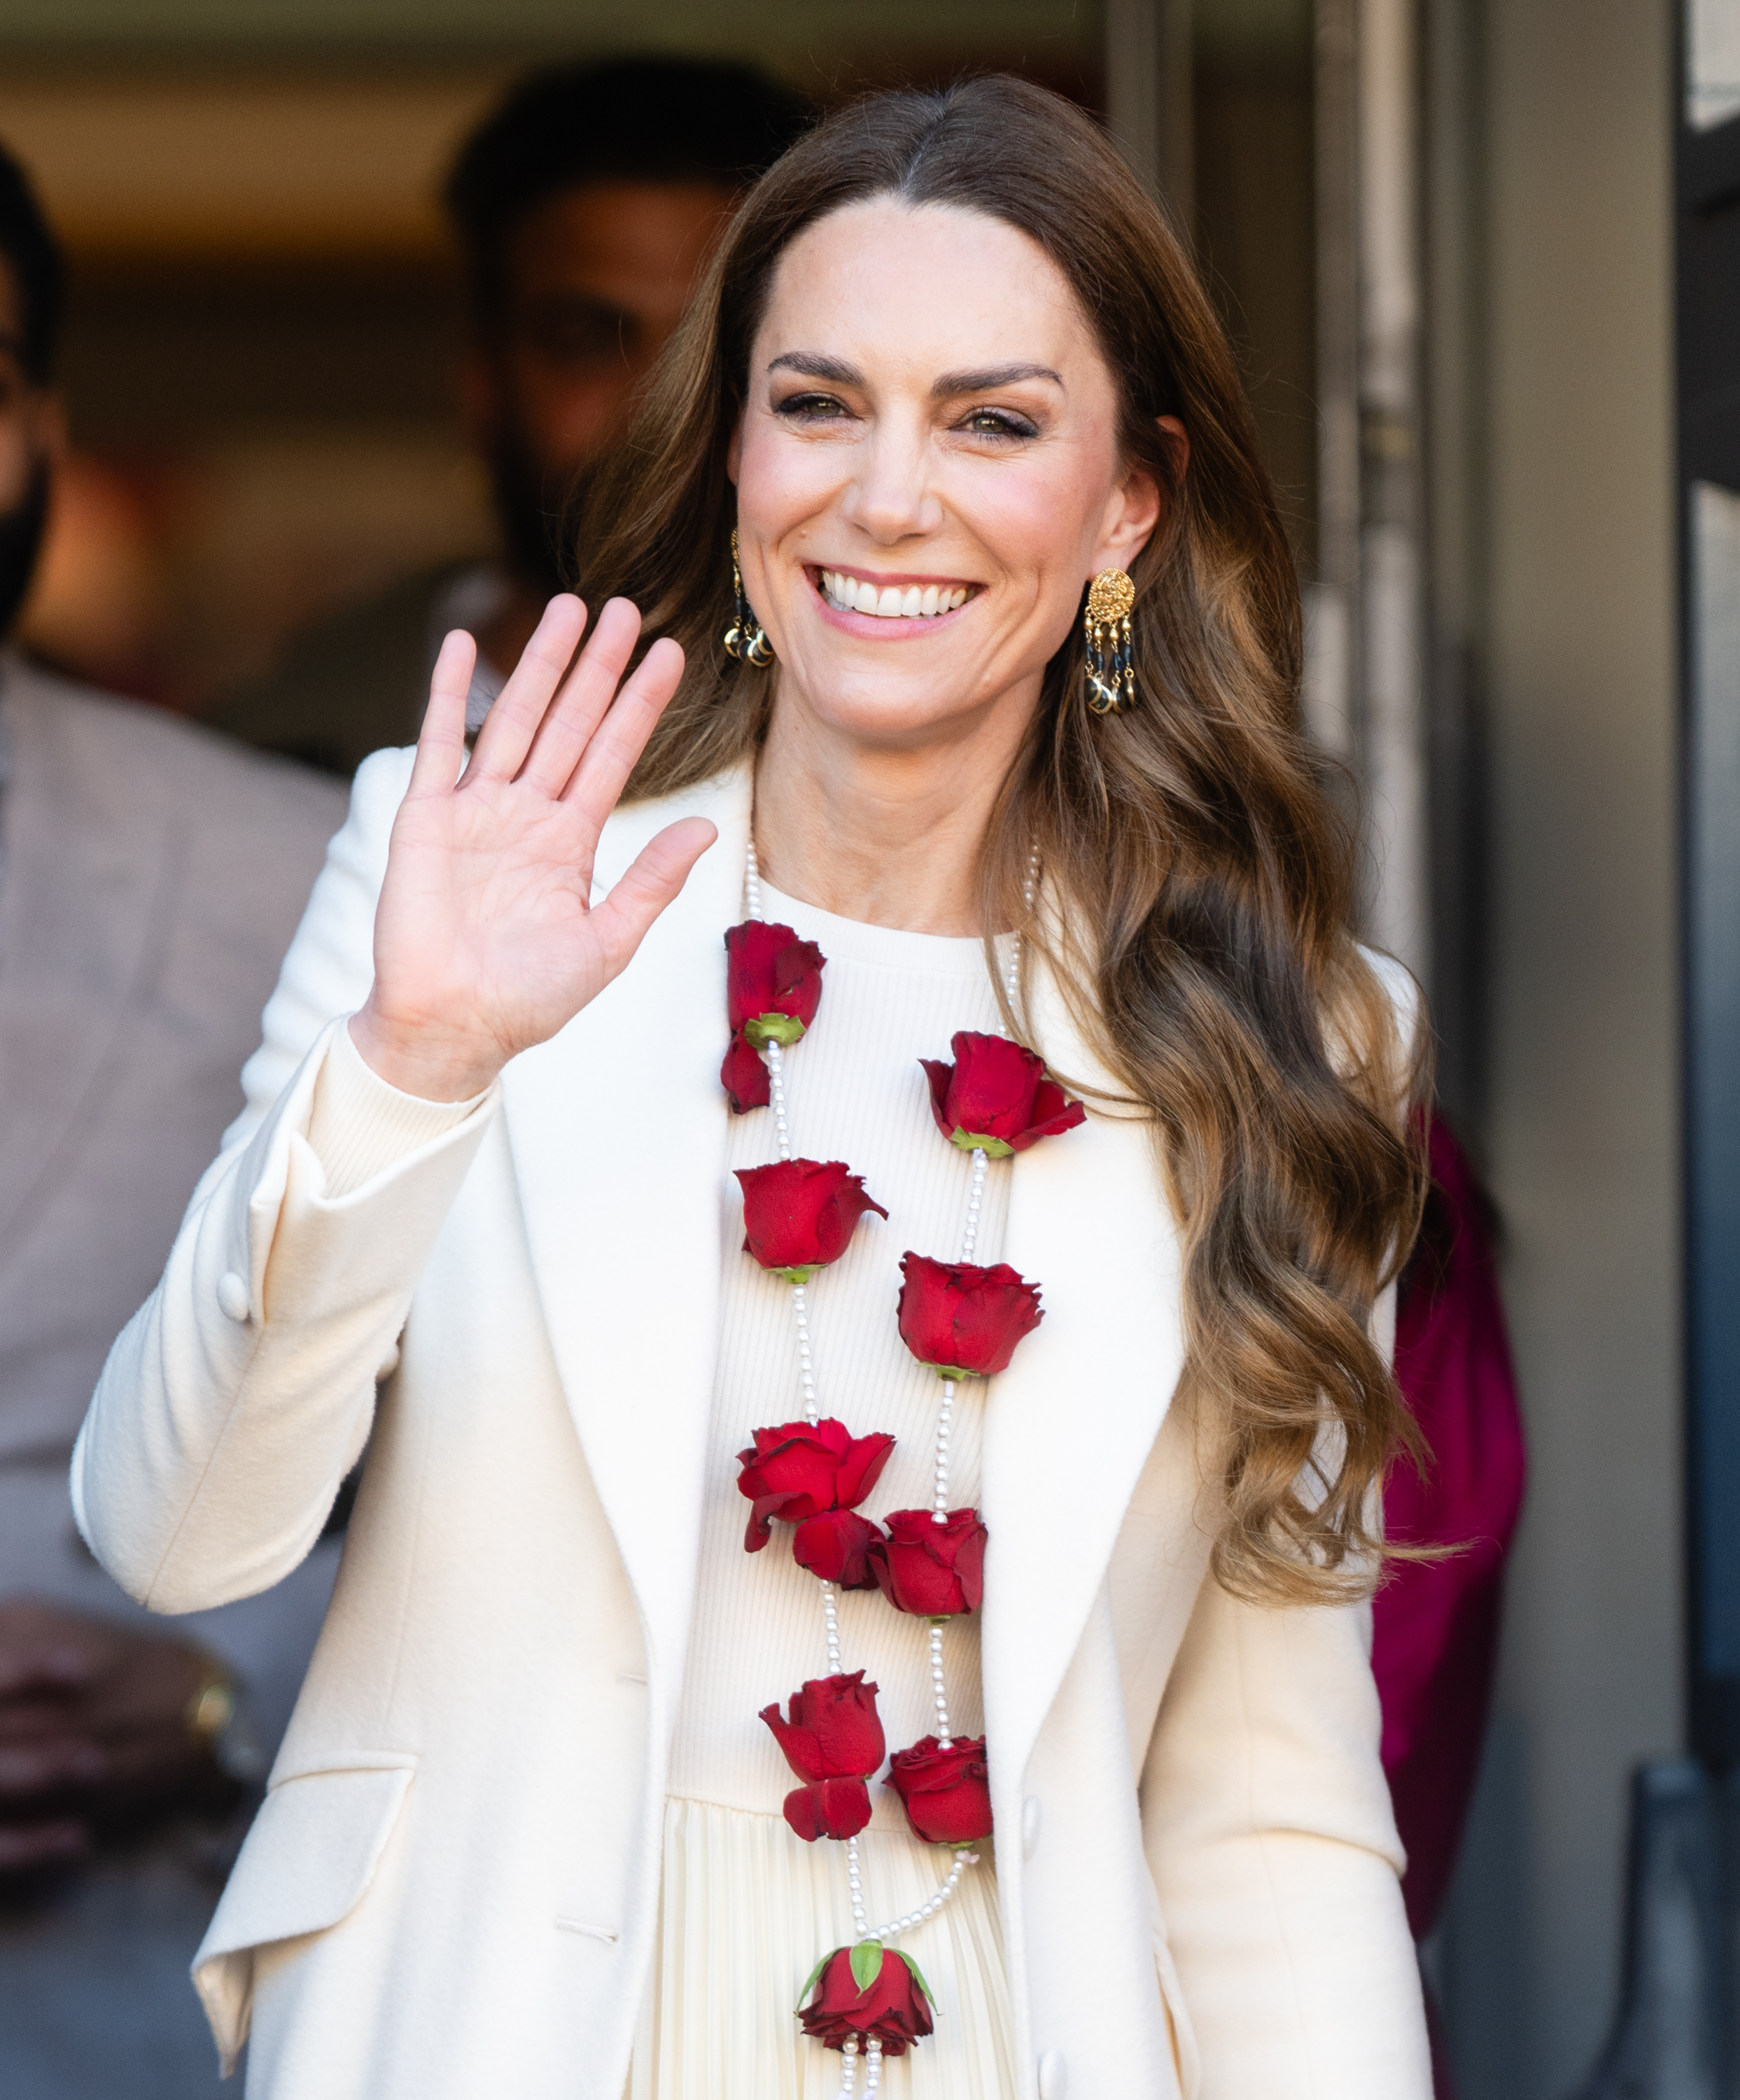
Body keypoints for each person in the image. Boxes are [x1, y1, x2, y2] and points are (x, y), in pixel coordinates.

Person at [76, 78, 1436, 2099]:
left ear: (1127, 498)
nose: (888, 497)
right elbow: (177, 1537)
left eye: (990, 421)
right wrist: (416, 1062)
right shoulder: (452, 868)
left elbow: (1268, 1799)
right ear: (729, 453)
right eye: (817, 404)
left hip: (1010, 2045)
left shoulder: (1295, 1026)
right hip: (498, 2037)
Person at [0, 144, 347, 2094]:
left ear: (43, 421)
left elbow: (505, 1462)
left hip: (150, 2028)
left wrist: (229, 1695)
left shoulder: (306, 879)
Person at [202, 56, 811, 778]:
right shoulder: (255, 767)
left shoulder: (923, 752)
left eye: (719, 344)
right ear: (481, 382)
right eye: (587, 340)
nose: (662, 408)